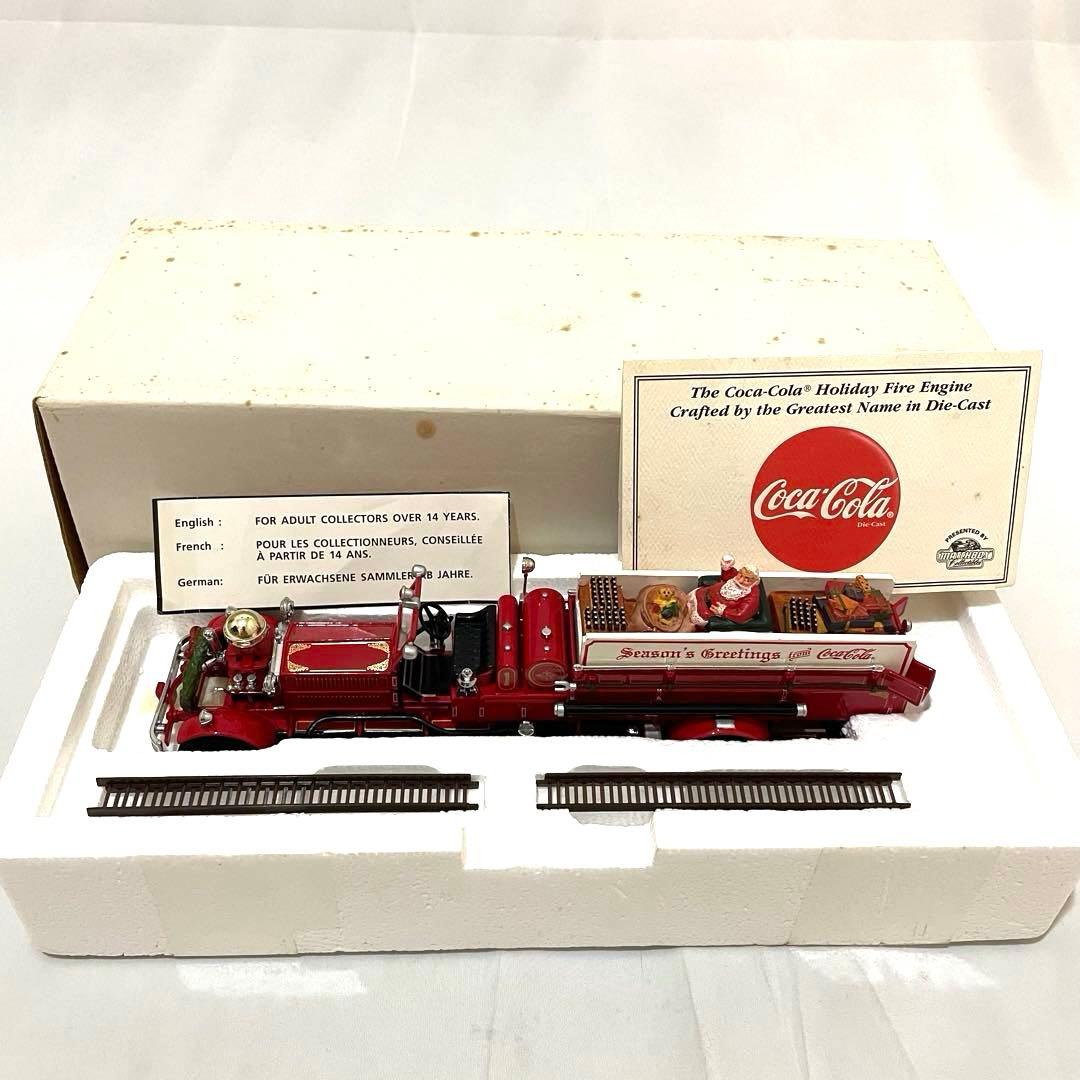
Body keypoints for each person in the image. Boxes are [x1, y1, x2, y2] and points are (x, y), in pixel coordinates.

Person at [688, 556, 761, 627]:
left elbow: (741, 614)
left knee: (693, 618)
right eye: (740, 575)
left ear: (753, 582)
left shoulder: (751, 596)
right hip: (704, 593)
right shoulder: (736, 576)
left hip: (709, 609)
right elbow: (727, 577)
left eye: (747, 580)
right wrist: (727, 567)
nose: (740, 580)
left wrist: (724, 611)